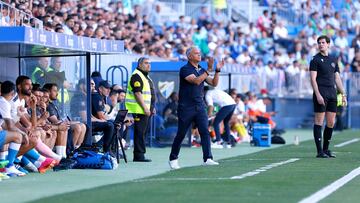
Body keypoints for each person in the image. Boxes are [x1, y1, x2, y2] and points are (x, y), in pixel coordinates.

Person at [169, 47, 224, 169]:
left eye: (200, 53)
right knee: (181, 134)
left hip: (200, 106)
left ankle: (208, 158)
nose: (199, 55)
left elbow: (214, 83)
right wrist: (209, 69)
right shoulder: (185, 69)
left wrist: (218, 70)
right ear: (189, 56)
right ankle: (173, 158)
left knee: (205, 131)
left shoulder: (201, 70)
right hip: (186, 107)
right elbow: (196, 81)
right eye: (196, 53)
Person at [310, 35, 347, 158]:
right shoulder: (315, 60)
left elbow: (337, 78)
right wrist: (318, 94)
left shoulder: (333, 59)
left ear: (328, 44)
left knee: (331, 122)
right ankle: (319, 151)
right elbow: (313, 79)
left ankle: (326, 150)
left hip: (332, 94)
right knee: (319, 122)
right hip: (321, 93)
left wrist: (343, 94)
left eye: (323, 42)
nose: (321, 44)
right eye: (319, 43)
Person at [125, 57, 155, 162]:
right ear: (139, 65)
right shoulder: (137, 76)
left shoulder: (144, 76)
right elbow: (137, 93)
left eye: (149, 63)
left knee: (142, 132)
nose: (149, 65)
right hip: (139, 110)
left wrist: (152, 107)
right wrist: (145, 108)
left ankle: (140, 154)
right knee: (140, 132)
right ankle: (139, 156)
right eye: (146, 63)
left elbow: (148, 94)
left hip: (144, 110)